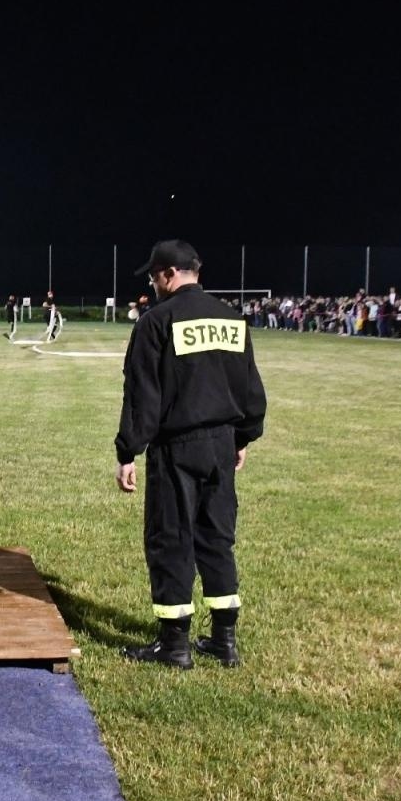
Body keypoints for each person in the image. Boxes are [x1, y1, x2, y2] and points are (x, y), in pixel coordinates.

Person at [114, 240, 266, 669]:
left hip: (176, 447)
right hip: (221, 444)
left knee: (172, 540)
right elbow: (250, 389)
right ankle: (224, 640)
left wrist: (128, 450)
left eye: (153, 277)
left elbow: (143, 395)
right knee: (217, 538)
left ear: (167, 274)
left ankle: (175, 645)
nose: (152, 284)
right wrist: (242, 438)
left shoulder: (156, 322)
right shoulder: (233, 319)